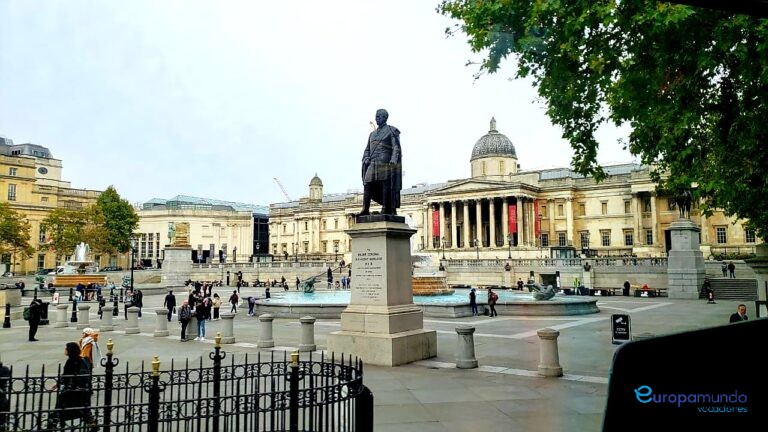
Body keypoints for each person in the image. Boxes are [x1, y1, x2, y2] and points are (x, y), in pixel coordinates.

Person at [358, 108, 403, 216]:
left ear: (385, 118)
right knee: (367, 183)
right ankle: (365, 209)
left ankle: (385, 208)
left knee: (385, 184)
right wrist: (366, 158)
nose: (376, 118)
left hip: (385, 162)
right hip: (372, 163)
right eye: (376, 116)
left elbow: (396, 147)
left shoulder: (391, 130)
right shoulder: (372, 134)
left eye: (379, 116)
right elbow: (367, 149)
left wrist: (393, 159)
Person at [48, 342, 96, 431]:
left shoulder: (71, 361)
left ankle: (53, 424)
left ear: (69, 350)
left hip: (71, 390)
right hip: (82, 390)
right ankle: (91, 423)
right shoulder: (83, 360)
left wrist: (58, 384)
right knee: (83, 409)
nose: (65, 350)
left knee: (60, 408)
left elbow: (67, 375)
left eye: (66, 348)